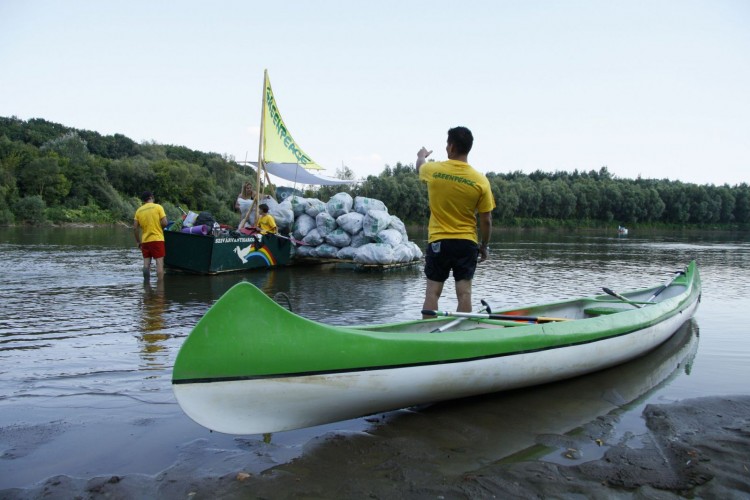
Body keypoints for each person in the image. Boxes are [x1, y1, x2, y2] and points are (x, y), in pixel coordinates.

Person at [416, 126, 496, 318]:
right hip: (466, 243)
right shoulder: (480, 180)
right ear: (468, 148)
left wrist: (422, 154)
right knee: (464, 293)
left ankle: (428, 333)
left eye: (447, 144)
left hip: (439, 242)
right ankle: (462, 335)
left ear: (451, 147)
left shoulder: (434, 170)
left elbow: (419, 166)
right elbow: (486, 220)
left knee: (432, 292)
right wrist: (484, 246)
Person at [134, 191, 168, 280]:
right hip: (157, 239)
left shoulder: (139, 211)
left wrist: (138, 242)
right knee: (159, 263)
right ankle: (160, 287)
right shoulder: (158, 207)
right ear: (151, 197)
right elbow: (165, 222)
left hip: (145, 241)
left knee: (146, 264)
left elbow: (135, 228)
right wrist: (160, 228)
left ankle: (146, 285)